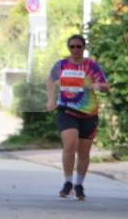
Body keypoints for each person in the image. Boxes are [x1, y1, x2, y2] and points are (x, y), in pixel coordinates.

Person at [46, 34, 109, 201]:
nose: (75, 50)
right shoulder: (61, 65)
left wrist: (98, 86)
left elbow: (106, 86)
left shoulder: (91, 66)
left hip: (88, 113)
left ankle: (79, 184)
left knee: (83, 152)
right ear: (69, 48)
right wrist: (51, 100)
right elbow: (51, 80)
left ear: (83, 48)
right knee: (70, 144)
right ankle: (67, 182)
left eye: (78, 47)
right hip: (66, 109)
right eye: (72, 46)